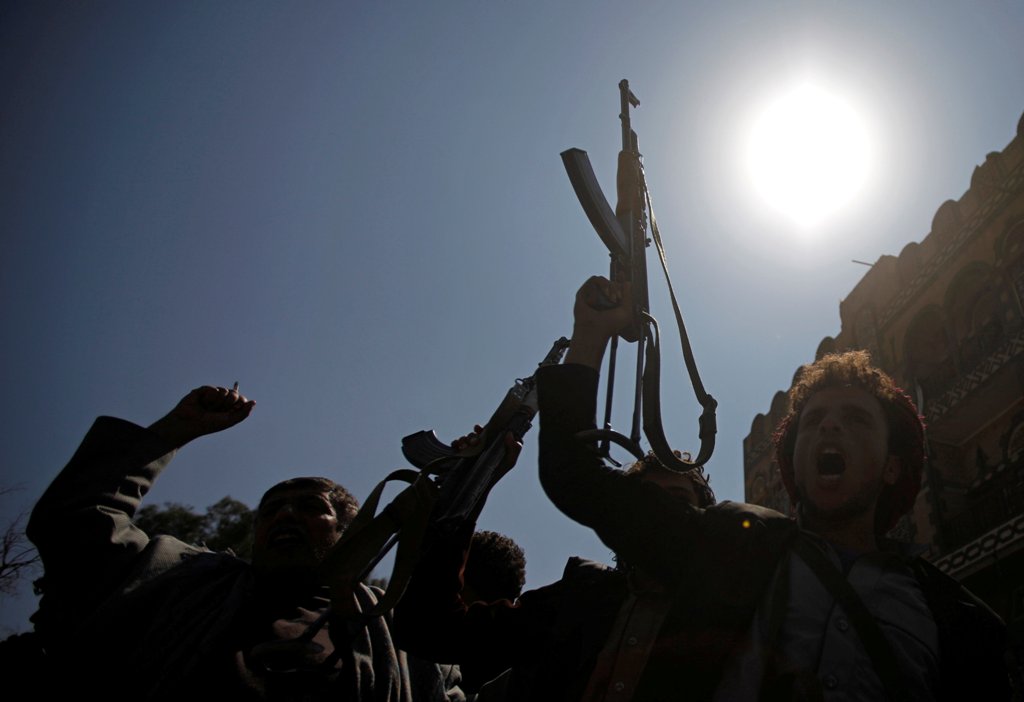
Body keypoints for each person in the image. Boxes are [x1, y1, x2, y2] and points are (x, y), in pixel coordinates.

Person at [534, 276, 1010, 700]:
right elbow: (574, 475)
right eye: (815, 421)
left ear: (891, 466)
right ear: (793, 464)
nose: (829, 429)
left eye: (856, 420)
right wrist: (592, 334)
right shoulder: (726, 545)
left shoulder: (958, 620)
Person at [27, 384, 455, 701]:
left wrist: (471, 476)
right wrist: (175, 430)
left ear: (349, 533)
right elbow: (76, 525)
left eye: (310, 506)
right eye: (271, 510)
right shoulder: (185, 579)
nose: (285, 515)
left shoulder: (398, 627)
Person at [394, 439, 717, 701]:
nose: (656, 512)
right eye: (644, 500)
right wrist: (474, 482)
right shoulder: (577, 601)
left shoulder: (736, 604)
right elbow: (430, 631)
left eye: (676, 499)